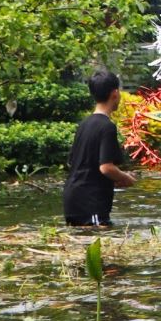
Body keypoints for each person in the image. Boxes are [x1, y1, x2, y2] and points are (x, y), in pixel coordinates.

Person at [63, 70, 136, 227]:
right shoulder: (107, 126)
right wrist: (125, 178)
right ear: (115, 93)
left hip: (72, 199)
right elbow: (106, 168)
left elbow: (74, 164)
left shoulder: (84, 124)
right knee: (101, 243)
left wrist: (114, 180)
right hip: (90, 202)